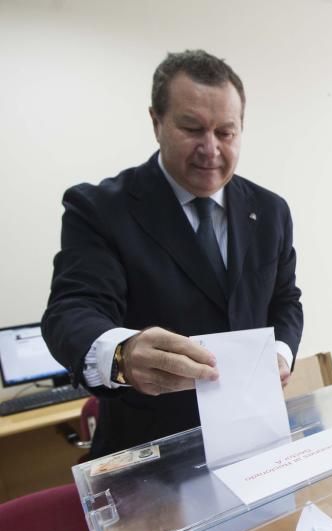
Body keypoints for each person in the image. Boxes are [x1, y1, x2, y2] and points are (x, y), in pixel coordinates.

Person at [42, 49, 303, 458]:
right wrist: (124, 355)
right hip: (149, 454)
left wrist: (281, 353)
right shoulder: (100, 209)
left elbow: (285, 299)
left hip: (254, 440)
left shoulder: (270, 211)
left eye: (225, 132)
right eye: (192, 128)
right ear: (156, 122)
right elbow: (71, 311)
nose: (210, 148)